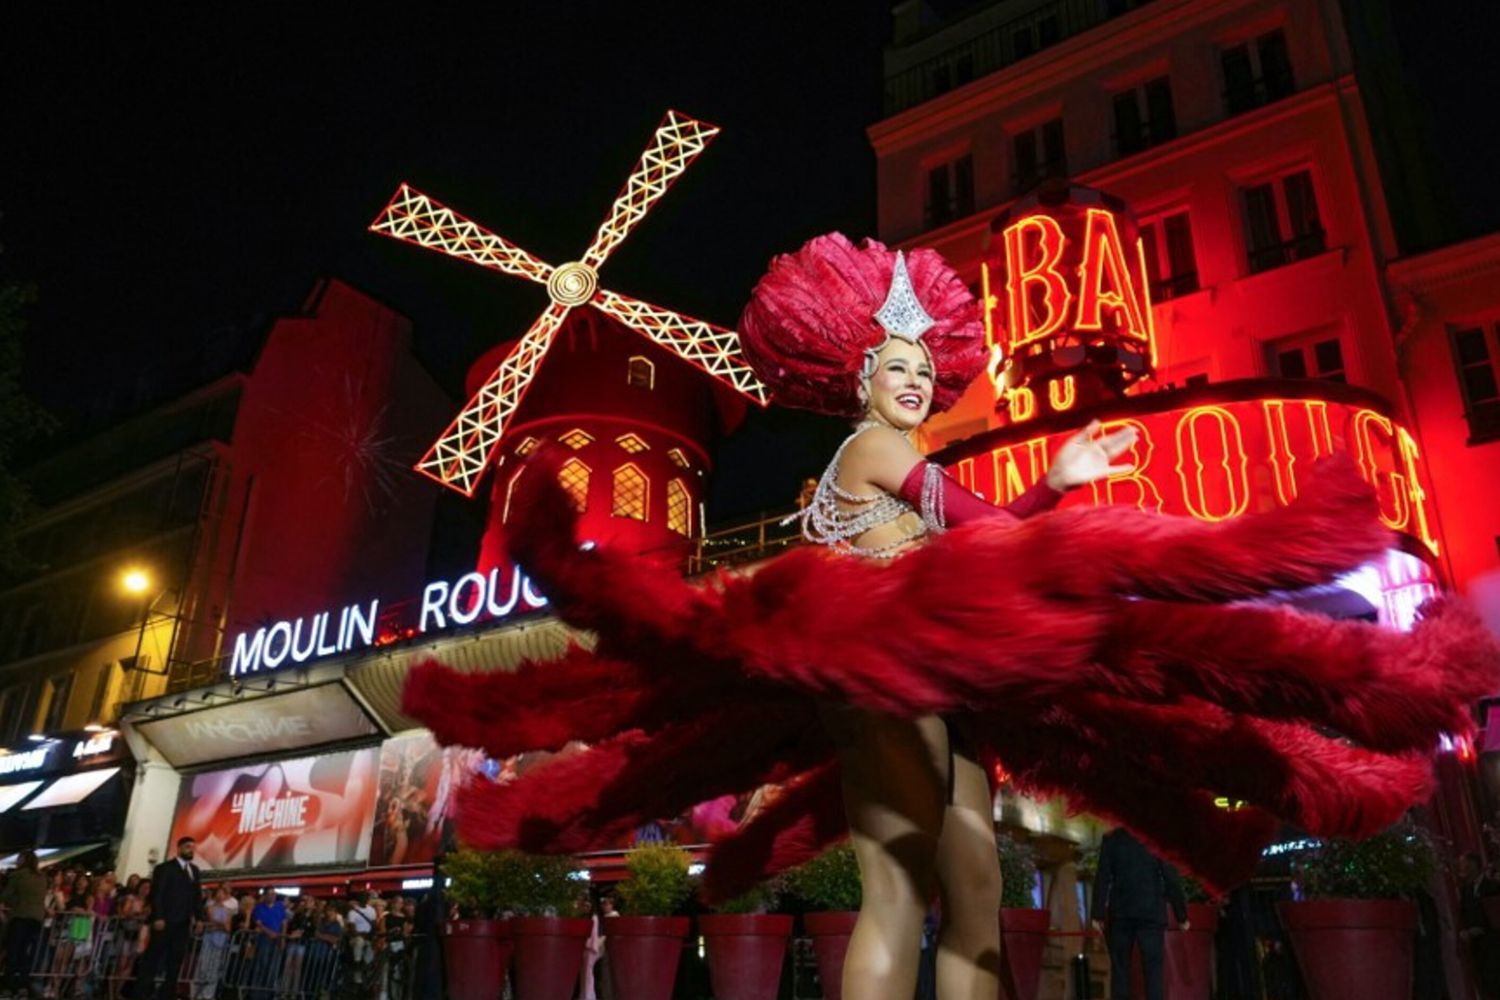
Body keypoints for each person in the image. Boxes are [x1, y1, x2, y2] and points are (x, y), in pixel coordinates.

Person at [403, 233, 1500, 1000]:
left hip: (940, 671)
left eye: (926, 366)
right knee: (898, 882)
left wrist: (1054, 482)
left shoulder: (908, 455)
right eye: (896, 364)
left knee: (973, 878)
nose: (915, 380)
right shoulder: (874, 449)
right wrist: (1060, 489)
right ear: (860, 378)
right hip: (877, 663)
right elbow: (980, 526)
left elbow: (975, 535)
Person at [1091, 827, 1189, 1000]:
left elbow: (1103, 876)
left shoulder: (1112, 838)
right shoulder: (1156, 837)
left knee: (1120, 971)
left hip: (1121, 912)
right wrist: (1181, 915)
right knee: (1153, 972)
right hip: (1150, 911)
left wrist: (1097, 913)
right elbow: (1170, 877)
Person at [131, 837, 205, 1000]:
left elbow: (196, 897)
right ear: (178, 849)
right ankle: (140, 994)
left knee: (175, 962)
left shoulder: (194, 870)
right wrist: (158, 916)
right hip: (164, 921)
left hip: (183, 924)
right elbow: (157, 894)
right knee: (152, 959)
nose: (190, 850)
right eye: (187, 847)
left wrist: (199, 918)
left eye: (193, 847)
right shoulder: (164, 868)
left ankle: (167, 994)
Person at [0, 850, 47, 996]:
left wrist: (13, 903)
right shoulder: (42, 878)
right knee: (26, 954)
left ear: (23, 860)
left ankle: (9, 986)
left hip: (20, 916)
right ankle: (22, 985)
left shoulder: (18, 875)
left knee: (13, 952)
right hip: (36, 919)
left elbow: (7, 895)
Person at [1458, 852, 1500, 998]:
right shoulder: (1466, 890)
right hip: (1476, 946)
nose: (1461, 869)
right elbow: (1463, 913)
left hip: (1493, 943)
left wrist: (1481, 928)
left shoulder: (1493, 887)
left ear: (1474, 865)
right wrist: (1464, 930)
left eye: (1464, 865)